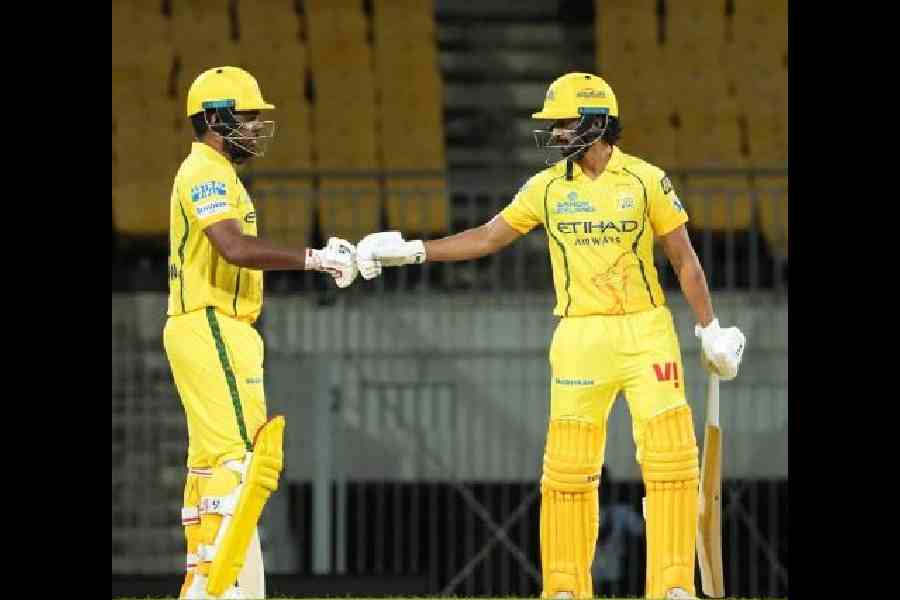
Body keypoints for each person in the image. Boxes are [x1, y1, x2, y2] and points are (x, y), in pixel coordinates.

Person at [355, 72, 746, 599]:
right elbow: (489, 237)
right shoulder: (546, 187)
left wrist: (710, 328)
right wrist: (413, 250)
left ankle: (673, 586)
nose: (557, 134)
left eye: (564, 123)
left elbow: (683, 258)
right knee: (568, 468)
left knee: (672, 459)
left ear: (597, 122)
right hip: (579, 334)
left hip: (646, 332)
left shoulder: (646, 180)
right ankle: (564, 588)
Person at [163, 66, 358, 599]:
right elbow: (235, 248)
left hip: (212, 325)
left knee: (210, 467)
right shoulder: (206, 171)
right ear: (212, 118)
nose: (254, 128)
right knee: (239, 466)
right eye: (246, 117)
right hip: (212, 324)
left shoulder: (216, 172)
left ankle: (204, 583)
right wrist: (315, 258)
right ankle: (230, 589)